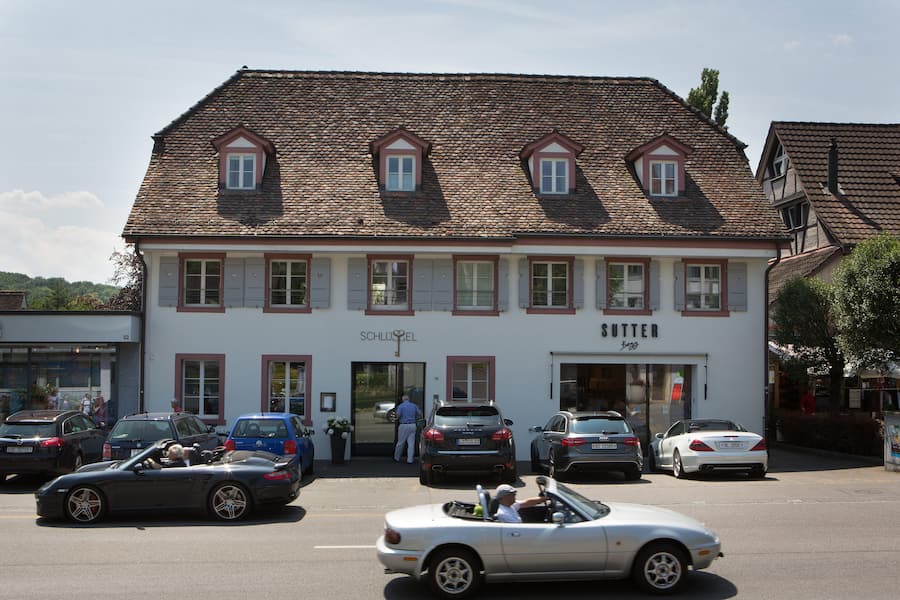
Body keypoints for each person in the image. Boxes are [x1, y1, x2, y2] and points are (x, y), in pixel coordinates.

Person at [393, 394, 422, 464]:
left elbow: (398, 415)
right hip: (413, 425)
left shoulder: (401, 406)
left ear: (403, 400)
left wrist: (396, 417)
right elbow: (420, 414)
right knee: (411, 443)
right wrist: (416, 419)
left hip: (404, 425)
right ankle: (410, 459)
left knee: (400, 442)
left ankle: (396, 458)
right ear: (408, 399)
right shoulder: (414, 405)